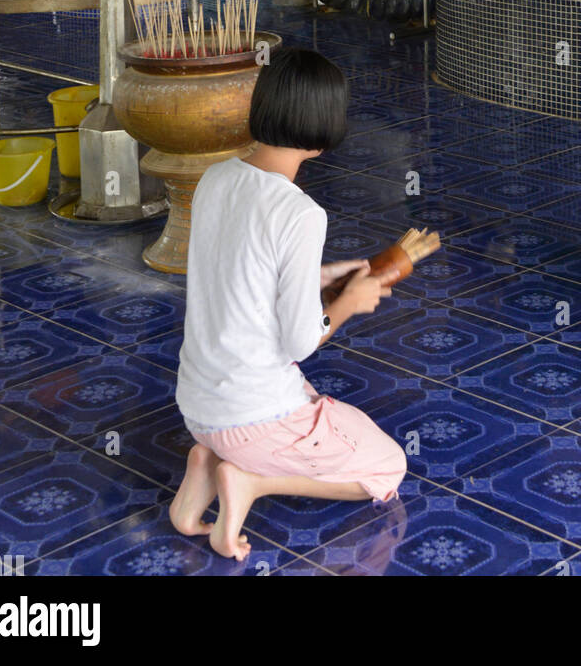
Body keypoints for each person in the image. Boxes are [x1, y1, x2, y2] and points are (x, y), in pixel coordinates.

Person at [171, 45, 407, 560]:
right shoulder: (302, 214)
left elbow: (239, 274)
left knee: (313, 404)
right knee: (388, 466)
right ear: (324, 131)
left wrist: (325, 275)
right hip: (250, 415)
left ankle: (200, 480)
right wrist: (349, 303)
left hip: (197, 402)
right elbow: (300, 339)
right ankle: (251, 482)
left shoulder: (215, 179)